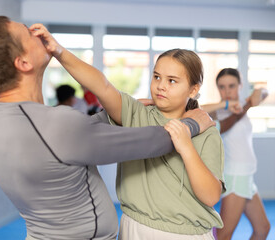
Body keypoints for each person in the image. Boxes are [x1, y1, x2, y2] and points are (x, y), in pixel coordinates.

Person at [0, 16, 214, 240]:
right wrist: (194, 123)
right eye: (27, 33)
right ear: (23, 62)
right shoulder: (56, 124)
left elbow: (64, 142)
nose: (37, 32)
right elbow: (152, 142)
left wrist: (120, 112)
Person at [58, 46, 225, 239]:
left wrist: (186, 146)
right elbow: (101, 86)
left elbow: (211, 195)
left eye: (172, 81)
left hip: (186, 233)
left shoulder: (206, 132)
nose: (161, 86)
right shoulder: (136, 113)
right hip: (134, 227)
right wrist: (58, 51)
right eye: (157, 77)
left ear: (193, 89)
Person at [208, 68, 270, 240]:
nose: (227, 91)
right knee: (223, 235)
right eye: (222, 87)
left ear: (241, 85)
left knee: (263, 228)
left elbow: (264, 92)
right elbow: (226, 125)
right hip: (235, 177)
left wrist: (259, 92)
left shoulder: (243, 103)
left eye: (232, 86)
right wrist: (249, 104)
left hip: (247, 177)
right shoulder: (217, 112)